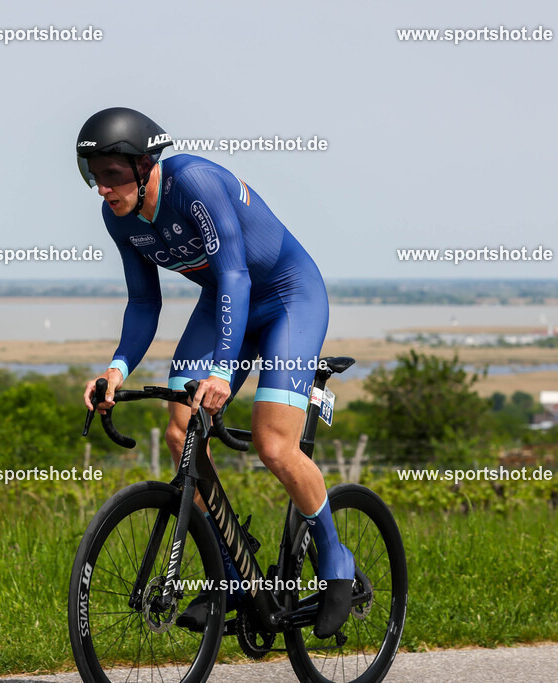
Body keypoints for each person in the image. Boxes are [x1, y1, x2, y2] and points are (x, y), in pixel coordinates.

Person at [78, 107, 353, 638]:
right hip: (226, 304)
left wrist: (223, 372)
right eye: (93, 175)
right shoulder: (120, 217)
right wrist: (115, 370)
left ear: (142, 166)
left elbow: (234, 274)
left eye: (110, 175)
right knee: (181, 431)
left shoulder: (194, 183)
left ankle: (335, 559)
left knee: (275, 446)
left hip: (284, 296)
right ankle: (231, 572)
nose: (102, 189)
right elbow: (142, 301)